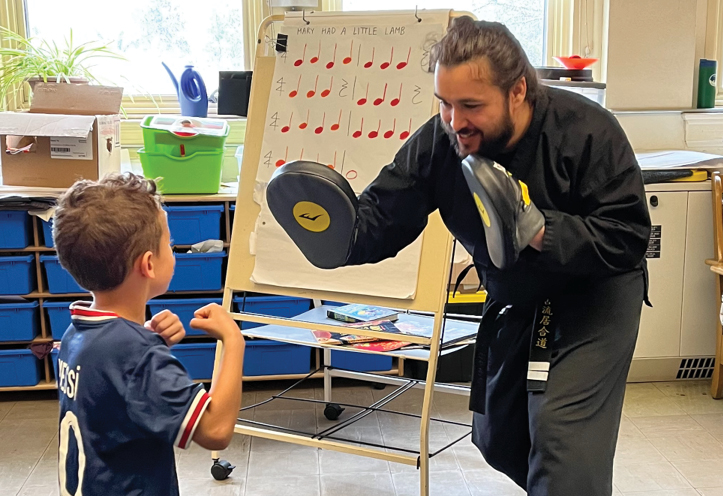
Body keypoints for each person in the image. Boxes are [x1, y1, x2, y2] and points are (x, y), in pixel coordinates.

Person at [268, 17, 651, 496]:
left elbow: (627, 236)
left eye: (471, 105)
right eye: (445, 104)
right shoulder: (442, 141)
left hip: (595, 292)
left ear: (518, 91)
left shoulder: (587, 132)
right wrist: (335, 231)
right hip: (517, 293)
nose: (455, 121)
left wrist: (539, 229)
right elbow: (383, 217)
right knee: (498, 437)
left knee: (562, 443)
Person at [53, 173, 245, 496]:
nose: (172, 250)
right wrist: (233, 340)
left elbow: (113, 392)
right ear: (149, 265)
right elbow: (216, 429)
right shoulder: (136, 356)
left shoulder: (77, 334)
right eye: (168, 245)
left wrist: (145, 337)